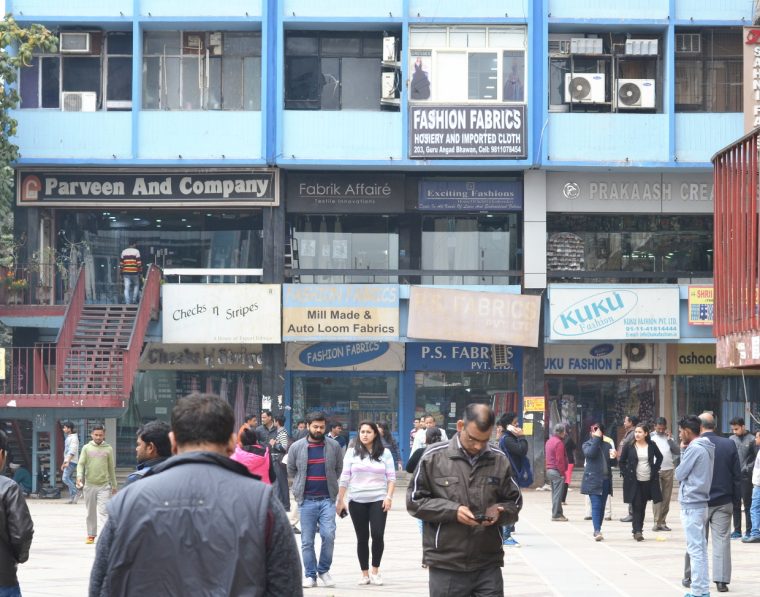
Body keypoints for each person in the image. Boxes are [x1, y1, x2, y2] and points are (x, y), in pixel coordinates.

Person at [88, 393, 302, 596]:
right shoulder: (262, 505)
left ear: (173, 442)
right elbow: (286, 587)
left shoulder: (127, 502)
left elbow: (101, 586)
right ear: (231, 442)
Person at [407, 404, 522, 597]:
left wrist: (500, 510)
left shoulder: (499, 459)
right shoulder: (433, 457)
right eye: (473, 439)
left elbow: (515, 502)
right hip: (447, 562)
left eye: (484, 441)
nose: (478, 446)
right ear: (461, 426)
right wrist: (452, 511)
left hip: (488, 561)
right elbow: (414, 501)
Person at [683, 412, 741, 594]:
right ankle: (721, 581)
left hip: (699, 500)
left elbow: (684, 473)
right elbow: (736, 475)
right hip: (724, 500)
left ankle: (690, 576)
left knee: (696, 541)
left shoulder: (695, 445)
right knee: (722, 540)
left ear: (698, 427)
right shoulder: (728, 443)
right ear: (714, 425)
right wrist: (736, 501)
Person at [287, 411, 343, 589]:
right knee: (307, 540)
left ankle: (324, 570)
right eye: (315, 426)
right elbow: (291, 470)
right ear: (308, 426)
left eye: (321, 427)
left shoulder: (333, 446)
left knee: (328, 535)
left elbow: (338, 469)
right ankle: (310, 575)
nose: (318, 430)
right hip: (306, 501)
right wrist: (298, 489)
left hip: (327, 499)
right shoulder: (296, 447)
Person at [336, 421, 396, 586]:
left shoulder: (385, 453)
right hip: (357, 501)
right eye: (362, 431)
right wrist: (340, 500)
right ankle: (364, 574)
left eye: (368, 432)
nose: (365, 435)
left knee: (377, 534)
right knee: (362, 537)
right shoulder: (351, 452)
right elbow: (345, 477)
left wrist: (388, 497)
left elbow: (391, 478)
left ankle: (375, 571)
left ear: (375, 434)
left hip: (378, 499)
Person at [676, 415, 715, 597]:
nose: (679, 434)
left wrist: (684, 452)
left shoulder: (695, 449)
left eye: (680, 431)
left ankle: (699, 591)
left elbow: (680, 473)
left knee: (695, 550)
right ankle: (701, 589)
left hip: (692, 502)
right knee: (700, 548)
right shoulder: (706, 446)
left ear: (687, 431)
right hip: (700, 502)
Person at [0, 430, 34, 597]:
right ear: (1, 454)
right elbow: (22, 532)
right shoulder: (8, 488)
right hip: (3, 578)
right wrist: (18, 557)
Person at [618, 423, 663, 541]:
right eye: (636, 432)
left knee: (642, 506)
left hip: (648, 480)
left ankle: (638, 529)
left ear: (646, 433)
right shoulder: (629, 445)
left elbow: (660, 457)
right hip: (634, 481)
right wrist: (626, 473)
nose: (637, 434)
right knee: (636, 505)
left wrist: (655, 468)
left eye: (640, 432)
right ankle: (637, 531)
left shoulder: (652, 445)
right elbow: (621, 461)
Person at [76, 425, 117, 545]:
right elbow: (81, 464)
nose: (98, 437)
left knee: (104, 511)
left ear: (104, 435)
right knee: (90, 512)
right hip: (89, 485)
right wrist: (79, 477)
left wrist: (114, 485)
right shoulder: (86, 448)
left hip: (104, 486)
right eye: (96, 435)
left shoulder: (108, 449)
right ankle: (91, 535)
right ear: (92, 435)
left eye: (100, 435)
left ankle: (107, 536)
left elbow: (111, 468)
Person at [581, 423, 616, 541]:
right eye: (594, 430)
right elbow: (591, 453)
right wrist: (596, 439)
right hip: (592, 479)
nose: (596, 432)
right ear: (591, 432)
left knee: (601, 506)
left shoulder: (607, 445)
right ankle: (596, 530)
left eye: (598, 430)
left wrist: (614, 457)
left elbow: (613, 464)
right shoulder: (587, 444)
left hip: (605, 480)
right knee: (596, 505)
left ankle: (598, 528)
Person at [498, 412, 528, 546]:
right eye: (515, 423)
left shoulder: (509, 437)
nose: (518, 425)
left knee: (513, 503)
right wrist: (522, 437)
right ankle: (506, 535)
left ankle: (508, 529)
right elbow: (522, 450)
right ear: (508, 425)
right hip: (509, 475)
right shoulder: (507, 439)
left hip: (511, 474)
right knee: (513, 503)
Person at [650, 417, 680, 532]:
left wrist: (670, 439)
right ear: (655, 426)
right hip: (656, 470)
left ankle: (663, 522)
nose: (661, 431)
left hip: (669, 470)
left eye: (663, 428)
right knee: (657, 498)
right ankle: (656, 522)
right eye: (659, 428)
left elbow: (677, 451)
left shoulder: (669, 438)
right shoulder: (650, 437)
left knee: (666, 498)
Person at [729, 416, 756, 539]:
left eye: (736, 429)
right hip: (734, 478)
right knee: (735, 505)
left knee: (748, 504)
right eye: (733, 429)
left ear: (743, 426)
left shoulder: (752, 440)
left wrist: (746, 469)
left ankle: (749, 530)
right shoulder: (731, 439)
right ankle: (737, 530)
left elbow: (755, 459)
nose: (734, 432)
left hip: (746, 478)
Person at [124, 420, 171, 486]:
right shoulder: (182, 475)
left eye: (139, 444)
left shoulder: (136, 479)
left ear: (150, 447)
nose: (136, 448)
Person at [545, 423, 568, 521]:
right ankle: (556, 515)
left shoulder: (549, 441)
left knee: (555, 494)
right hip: (556, 470)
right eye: (564, 431)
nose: (565, 433)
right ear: (561, 432)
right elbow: (560, 460)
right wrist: (562, 473)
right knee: (558, 495)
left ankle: (559, 513)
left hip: (550, 470)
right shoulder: (559, 443)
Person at [618, 414, 639, 523]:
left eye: (626, 421)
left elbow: (627, 448)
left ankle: (632, 513)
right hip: (627, 465)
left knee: (631, 489)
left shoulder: (633, 434)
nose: (624, 423)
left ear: (631, 422)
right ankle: (632, 512)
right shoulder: (629, 433)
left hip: (630, 466)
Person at [741, 430, 760, 543]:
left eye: (757, 437)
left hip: (758, 484)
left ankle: (755, 533)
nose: (755, 439)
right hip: (757, 483)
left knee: (754, 509)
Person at [273, 416, 291, 510]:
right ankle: (283, 504)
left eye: (274, 421)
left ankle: (286, 505)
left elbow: (284, 447)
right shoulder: (280, 432)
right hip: (278, 460)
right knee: (279, 483)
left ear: (277, 422)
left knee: (282, 482)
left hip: (279, 460)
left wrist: (274, 444)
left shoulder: (282, 433)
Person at [61, 420, 80, 503]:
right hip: (69, 460)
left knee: (65, 478)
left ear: (69, 429)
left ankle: (76, 492)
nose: (63, 429)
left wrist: (67, 461)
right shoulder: (70, 437)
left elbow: (72, 450)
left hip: (71, 461)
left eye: (65, 428)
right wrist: (64, 462)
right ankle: (73, 498)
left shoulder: (73, 438)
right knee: (69, 478)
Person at [119, 240, 142, 305]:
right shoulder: (136, 251)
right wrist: (140, 272)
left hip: (126, 272)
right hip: (134, 272)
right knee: (136, 285)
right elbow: (139, 263)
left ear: (129, 244)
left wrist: (121, 273)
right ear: (134, 244)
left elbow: (121, 264)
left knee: (126, 288)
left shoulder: (124, 252)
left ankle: (127, 302)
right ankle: (134, 300)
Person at [562, 425, 577, 504]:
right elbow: (574, 447)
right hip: (569, 461)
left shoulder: (559, 440)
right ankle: (563, 499)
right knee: (566, 480)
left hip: (562, 461)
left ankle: (561, 499)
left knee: (562, 480)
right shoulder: (569, 439)